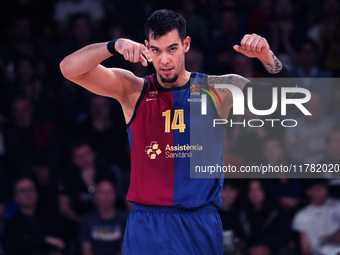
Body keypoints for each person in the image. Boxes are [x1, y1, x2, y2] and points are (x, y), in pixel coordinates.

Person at [60, 9, 296, 255]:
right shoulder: (132, 90)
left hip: (198, 221)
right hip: (146, 223)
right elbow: (69, 69)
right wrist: (113, 46)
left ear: (186, 44)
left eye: (172, 49)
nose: (164, 60)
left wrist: (267, 56)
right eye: (156, 50)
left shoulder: (220, 90)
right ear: (146, 49)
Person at [5, 178, 64, 255]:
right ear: (16, 197)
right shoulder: (13, 223)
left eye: (31, 189)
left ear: (37, 193)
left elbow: (59, 242)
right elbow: (18, 245)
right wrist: (45, 240)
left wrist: (31, 239)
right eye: (23, 191)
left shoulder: (51, 215)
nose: (27, 194)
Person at [292, 178, 340, 255]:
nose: (323, 192)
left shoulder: (337, 206)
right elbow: (305, 248)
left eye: (324, 188)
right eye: (318, 190)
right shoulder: (302, 215)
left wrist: (336, 239)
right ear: (308, 192)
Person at [79, 180, 127, 255]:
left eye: (110, 192)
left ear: (115, 194)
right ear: (96, 195)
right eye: (102, 192)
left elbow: (125, 249)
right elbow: (86, 250)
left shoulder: (125, 218)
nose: (106, 196)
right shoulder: (88, 219)